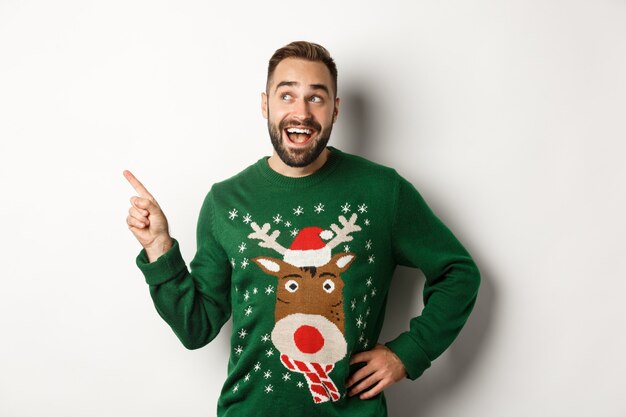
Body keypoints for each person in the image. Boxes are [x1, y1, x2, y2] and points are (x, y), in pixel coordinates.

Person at [125, 41, 480, 417]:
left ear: (335, 109)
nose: (301, 112)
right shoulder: (225, 202)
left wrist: (408, 353)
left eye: (316, 98)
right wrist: (160, 249)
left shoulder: (383, 193)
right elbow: (195, 328)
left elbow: (458, 273)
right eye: (287, 95)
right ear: (265, 105)